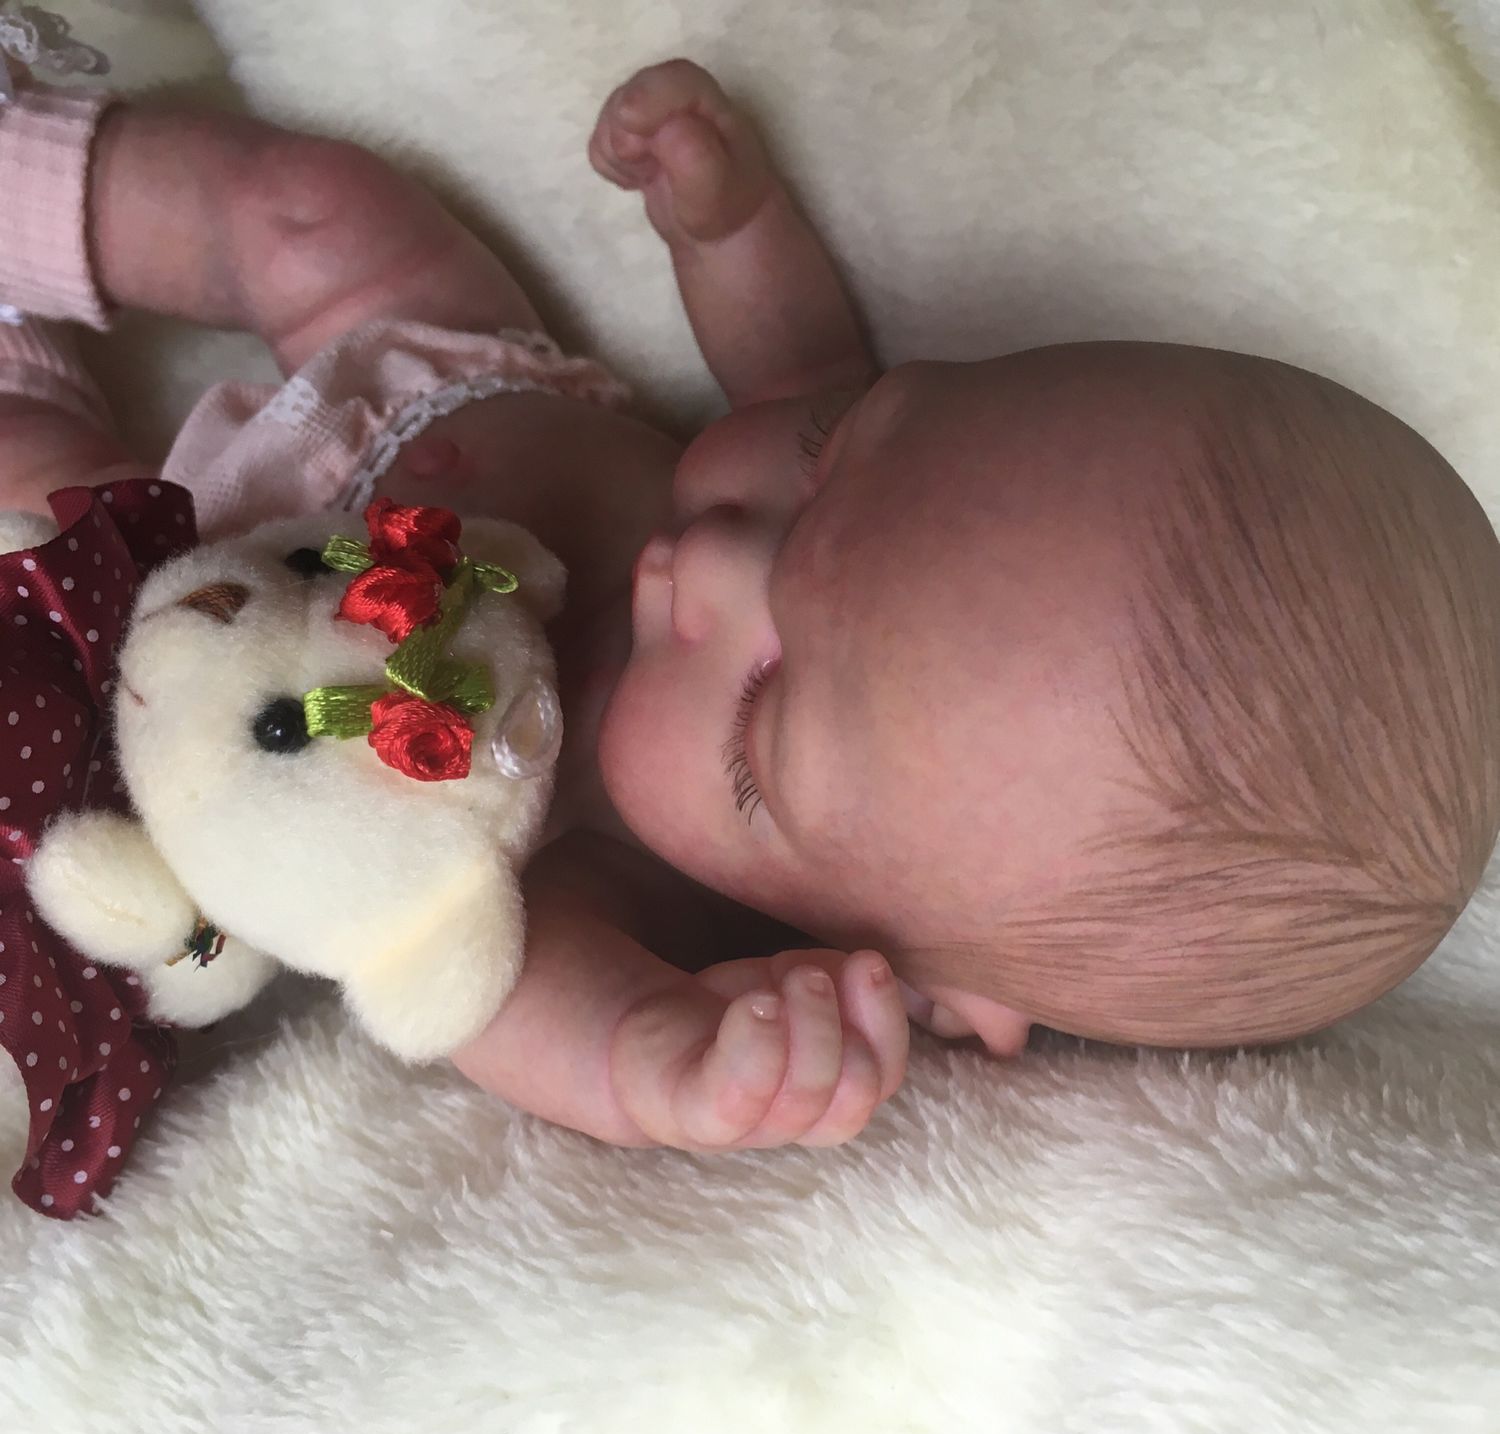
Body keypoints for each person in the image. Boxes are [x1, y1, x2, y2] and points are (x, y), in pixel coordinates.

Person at [3, 52, 1497, 1155]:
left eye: (764, 717)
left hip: (188, 619)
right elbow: (798, 362)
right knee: (312, 212)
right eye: (834, 456)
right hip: (430, 377)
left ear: (924, 982)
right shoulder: (844, 604)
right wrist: (730, 230)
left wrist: (661, 1067)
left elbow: (511, 1005)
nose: (707, 559)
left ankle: (27, 369)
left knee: (40, 497)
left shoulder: (641, 881)